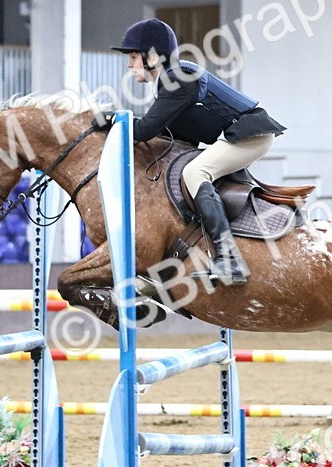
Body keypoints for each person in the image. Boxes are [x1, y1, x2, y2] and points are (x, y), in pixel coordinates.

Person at [110, 19, 286, 286]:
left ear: (154, 56)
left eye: (134, 57)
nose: (128, 64)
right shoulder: (165, 82)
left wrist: (111, 120)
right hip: (236, 136)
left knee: (195, 172)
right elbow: (170, 136)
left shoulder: (176, 79)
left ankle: (230, 259)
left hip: (250, 135)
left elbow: (145, 130)